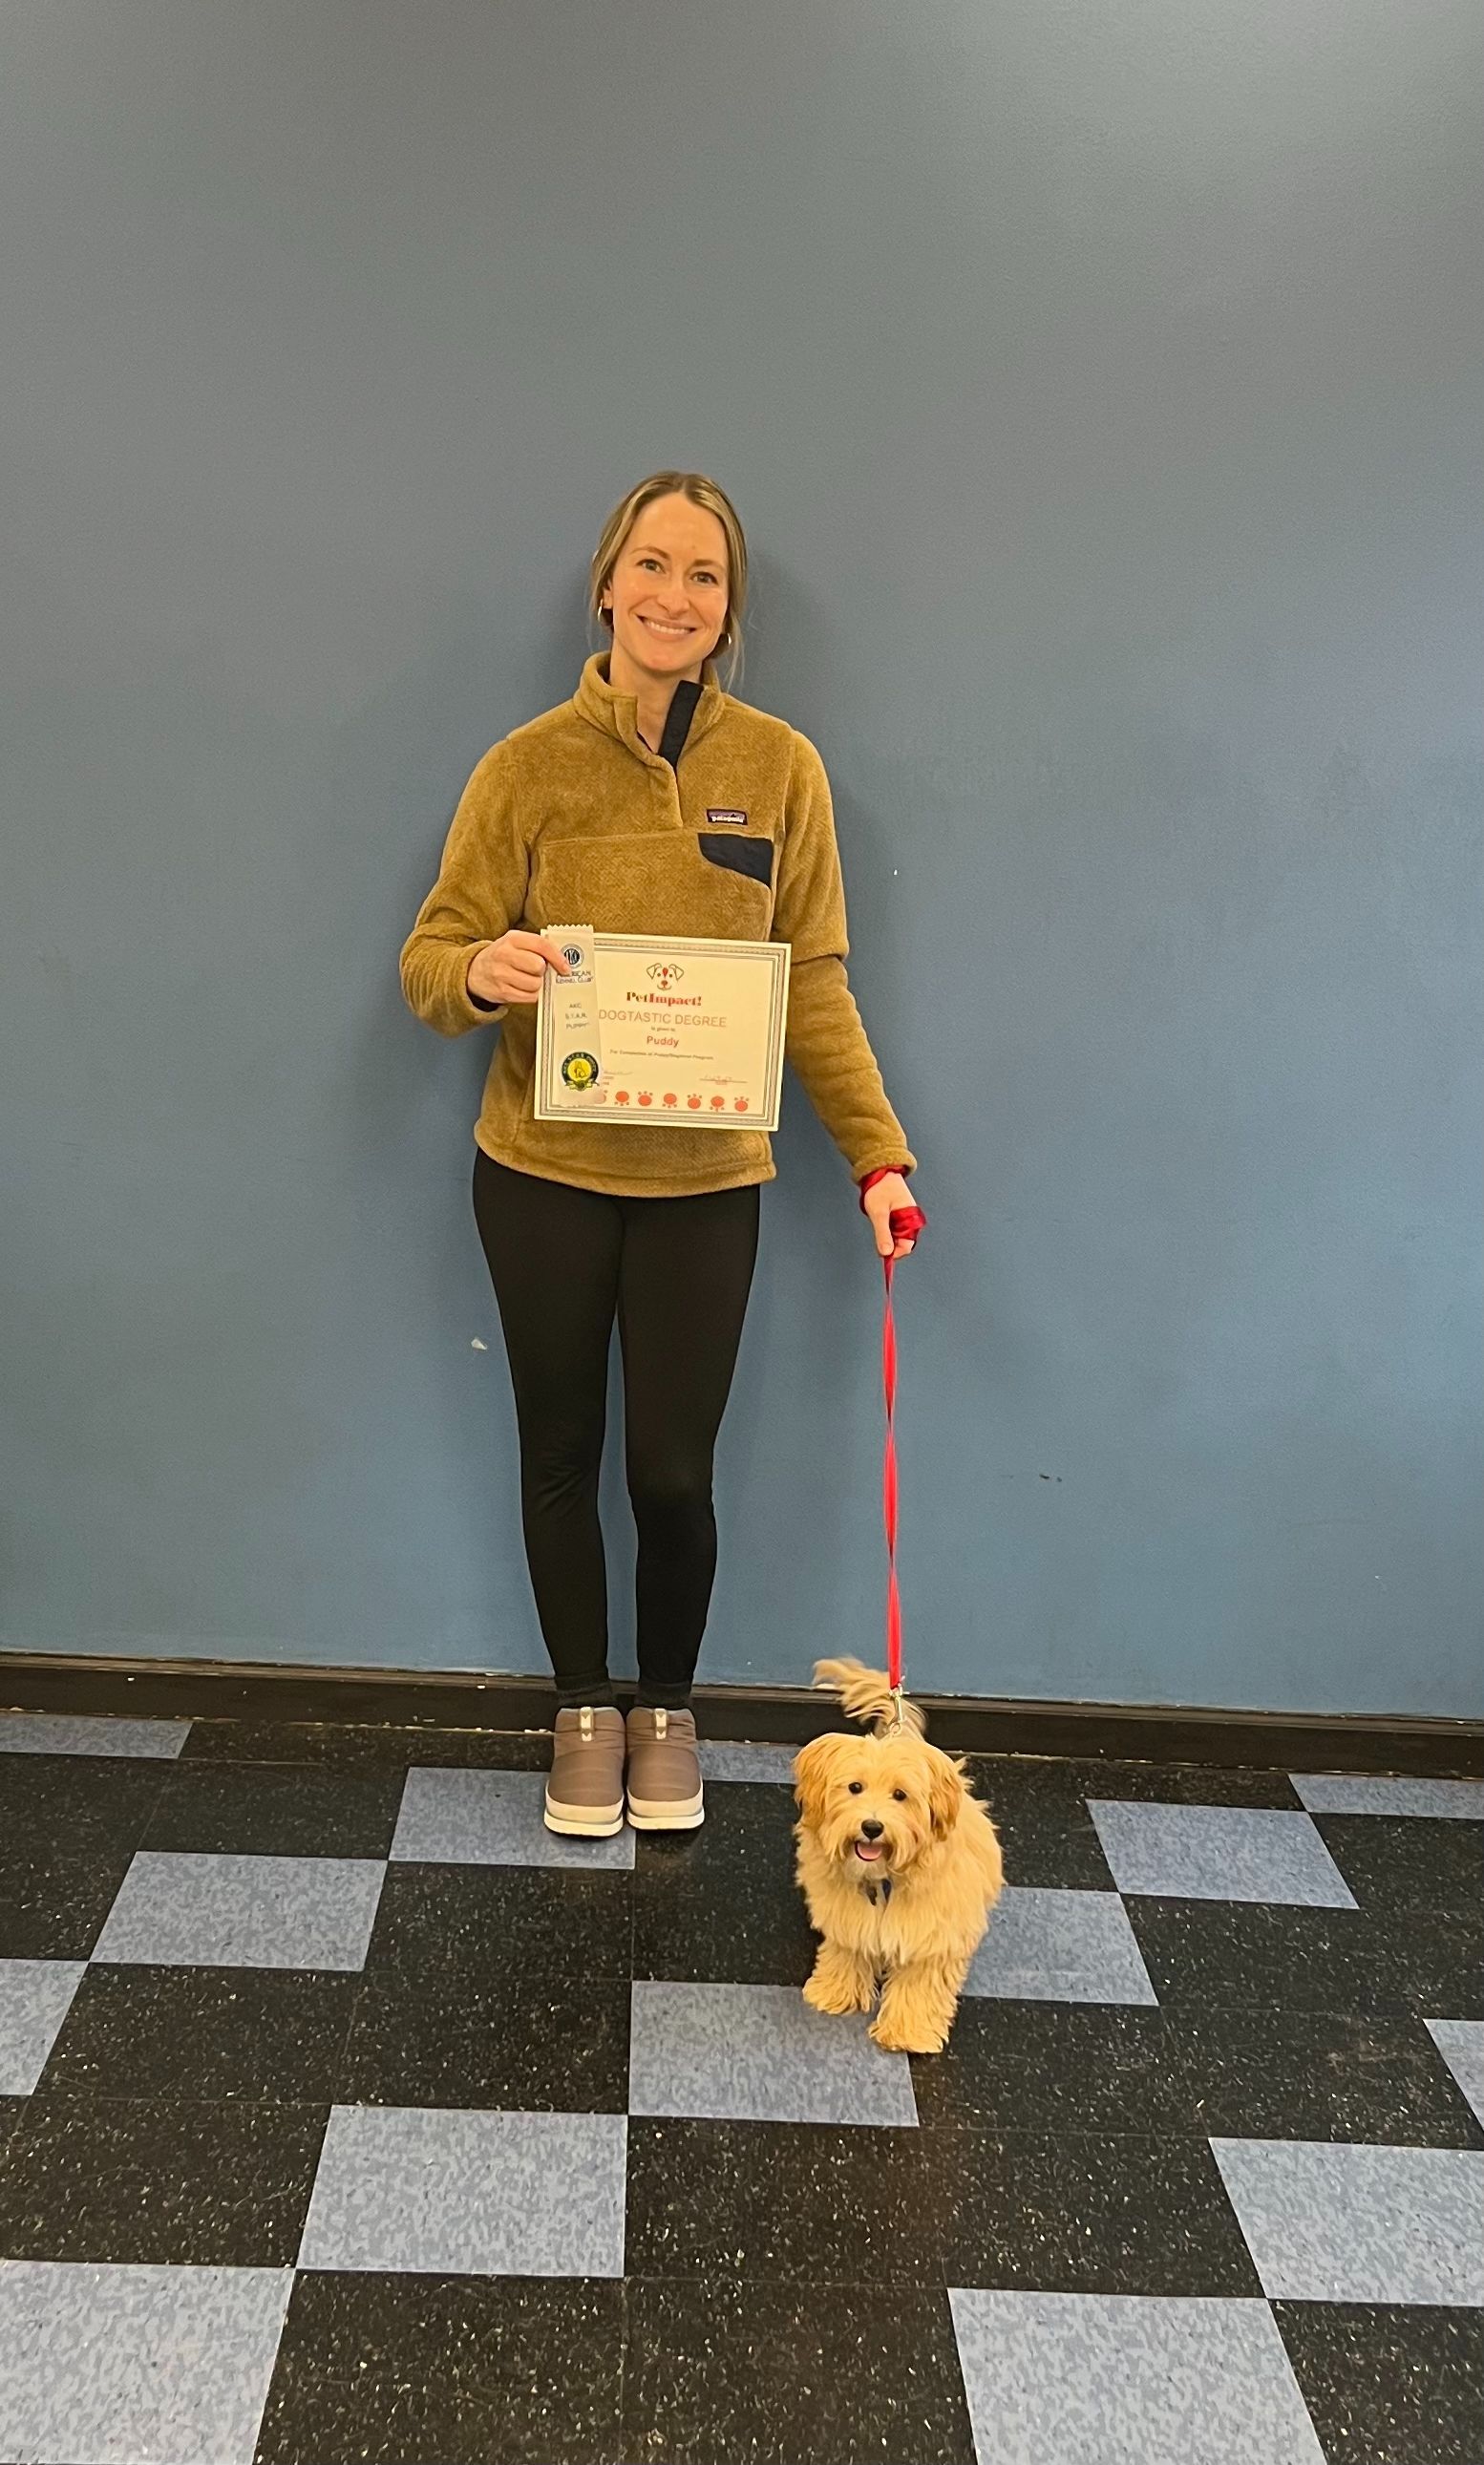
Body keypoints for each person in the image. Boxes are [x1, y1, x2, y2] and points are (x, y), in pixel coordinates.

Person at [400, 471, 920, 1838]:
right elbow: (430, 958)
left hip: (704, 1188)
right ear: (605, 585)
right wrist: (483, 970)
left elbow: (812, 984)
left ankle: (667, 1708)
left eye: (702, 574)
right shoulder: (523, 768)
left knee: (673, 1474)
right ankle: (584, 1708)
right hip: (540, 1178)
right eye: (650, 564)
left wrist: (876, 1159)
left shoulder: (781, 769)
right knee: (559, 1451)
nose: (672, 596)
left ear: (727, 609)